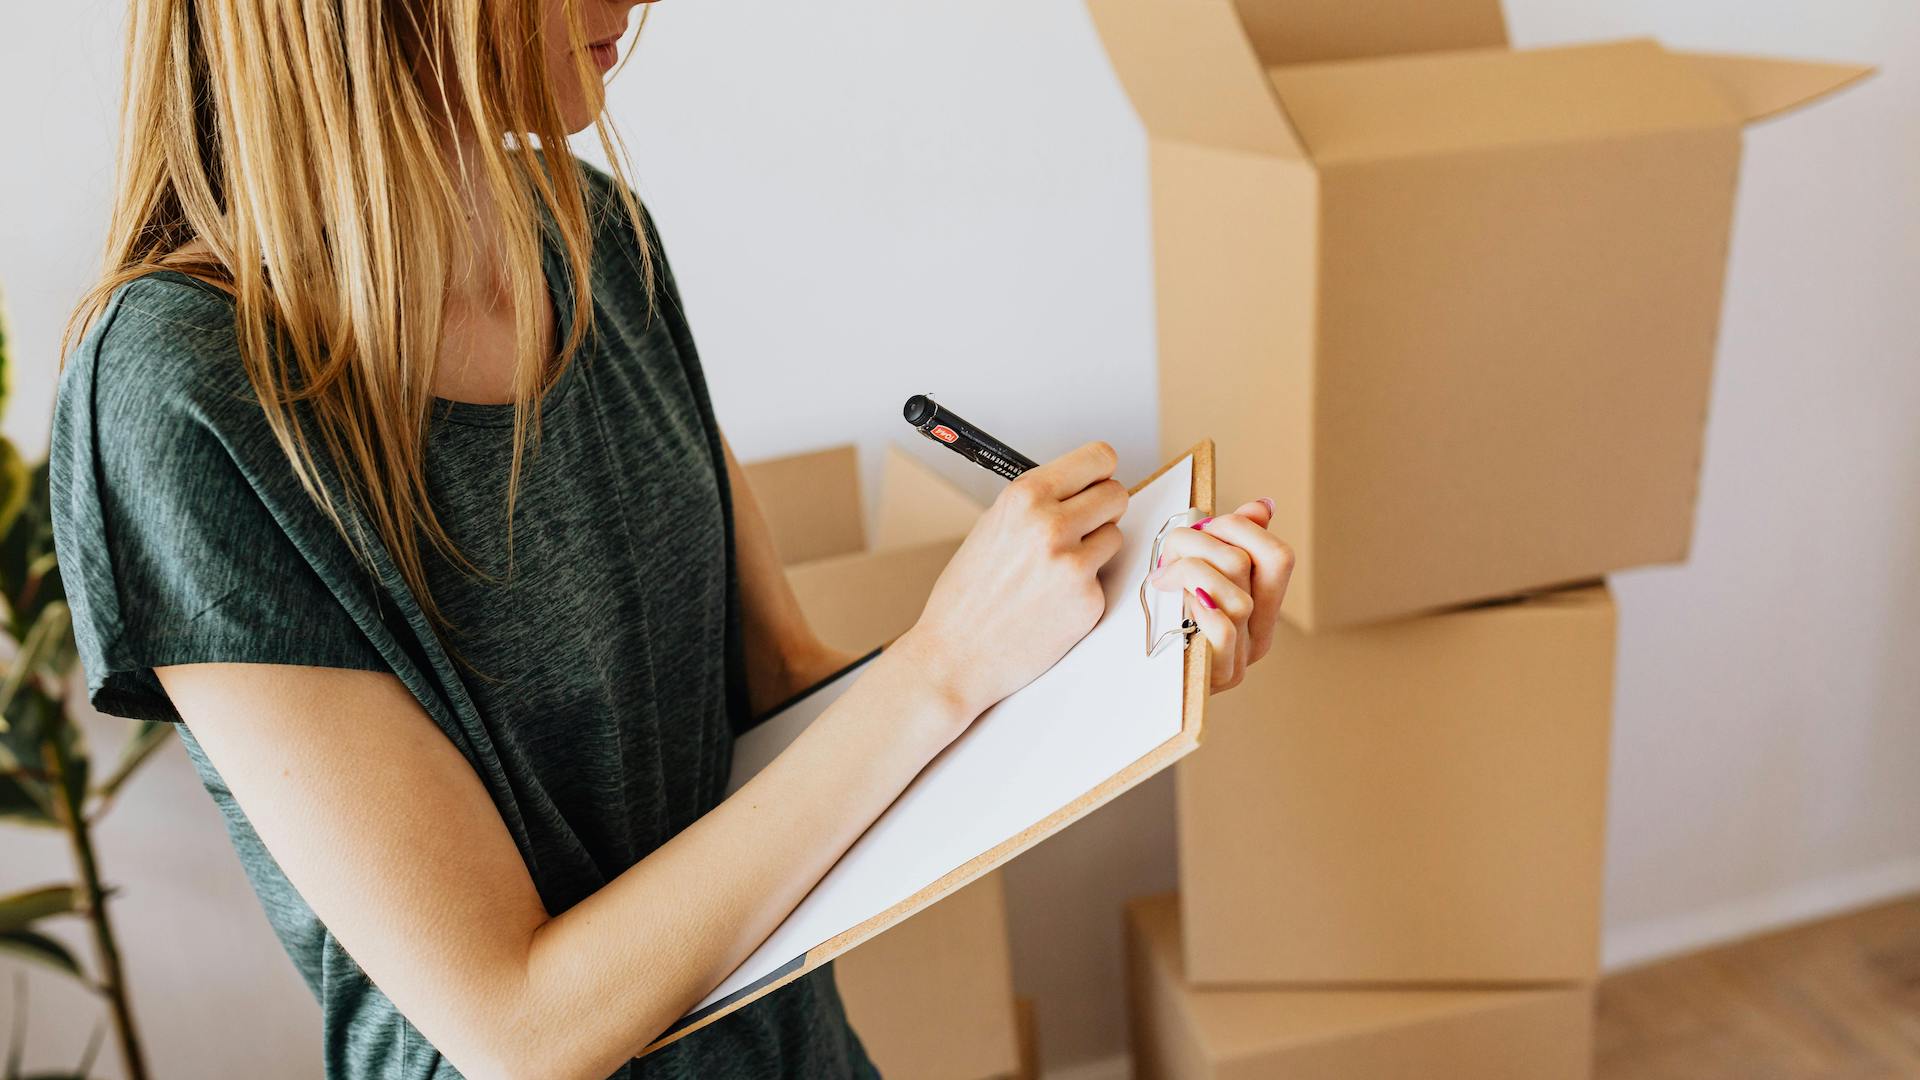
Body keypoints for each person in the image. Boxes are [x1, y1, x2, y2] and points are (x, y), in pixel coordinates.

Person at [47, 0, 1295, 1076]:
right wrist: (946, 662)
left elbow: (785, 705)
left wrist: (1119, 656)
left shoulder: (596, 238)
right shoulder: (184, 393)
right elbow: (516, 1027)